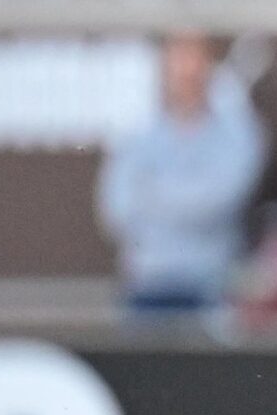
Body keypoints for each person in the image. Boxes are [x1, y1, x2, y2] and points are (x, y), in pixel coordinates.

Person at [96, 31, 265, 318]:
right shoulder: (138, 132)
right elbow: (118, 209)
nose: (186, 72)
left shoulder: (235, 133)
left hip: (212, 286)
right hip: (148, 285)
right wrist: (190, 196)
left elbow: (222, 199)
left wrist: (153, 196)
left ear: (210, 67)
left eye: (195, 60)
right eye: (178, 61)